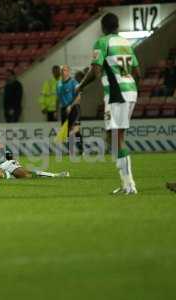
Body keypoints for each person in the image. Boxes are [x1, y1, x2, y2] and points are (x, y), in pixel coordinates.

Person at [76, 13, 140, 195]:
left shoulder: (103, 42)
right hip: (130, 91)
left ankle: (129, 185)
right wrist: (133, 90)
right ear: (117, 25)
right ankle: (126, 184)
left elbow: (95, 71)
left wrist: (80, 86)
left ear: (103, 27)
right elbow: (137, 71)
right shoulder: (126, 43)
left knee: (116, 139)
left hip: (116, 93)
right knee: (114, 137)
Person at [0, 114, 69, 179]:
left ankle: (55, 175)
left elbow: (1, 145)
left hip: (5, 163)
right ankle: (11, 176)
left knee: (26, 175)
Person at [57, 65, 83, 154]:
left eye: (64, 70)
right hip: (64, 109)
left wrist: (70, 106)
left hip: (74, 108)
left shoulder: (74, 82)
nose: (62, 72)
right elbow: (59, 98)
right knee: (67, 131)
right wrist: (58, 110)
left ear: (68, 71)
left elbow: (79, 97)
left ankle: (81, 148)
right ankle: (70, 150)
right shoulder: (59, 83)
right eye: (61, 70)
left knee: (74, 130)